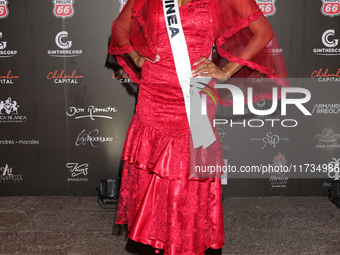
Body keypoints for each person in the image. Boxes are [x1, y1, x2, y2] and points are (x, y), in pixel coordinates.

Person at [109, 0, 288, 254]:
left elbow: (263, 32)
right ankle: (153, 239)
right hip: (154, 93)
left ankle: (189, 240)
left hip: (195, 91)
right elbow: (119, 28)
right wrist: (137, 57)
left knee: (189, 168)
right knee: (153, 168)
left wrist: (225, 71)